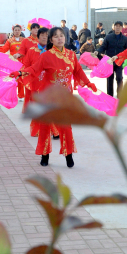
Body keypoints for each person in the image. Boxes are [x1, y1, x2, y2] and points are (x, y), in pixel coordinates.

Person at [12, 27, 98, 168]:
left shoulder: (71, 55)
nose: (59, 38)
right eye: (56, 36)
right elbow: (34, 69)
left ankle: (68, 155)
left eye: (61, 36)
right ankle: (45, 155)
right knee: (45, 127)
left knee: (66, 127)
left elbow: (78, 71)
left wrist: (88, 83)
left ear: (65, 38)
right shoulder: (46, 56)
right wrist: (21, 73)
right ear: (51, 40)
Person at [95, 21, 127, 97]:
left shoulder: (124, 39)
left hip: (119, 61)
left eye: (119, 26)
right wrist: (97, 51)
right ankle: (110, 96)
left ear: (121, 28)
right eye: (116, 26)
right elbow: (103, 47)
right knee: (110, 79)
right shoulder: (108, 37)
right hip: (109, 62)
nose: (117, 27)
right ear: (113, 27)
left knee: (119, 78)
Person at [0, 25, 27, 99]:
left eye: (18, 30)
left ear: (21, 31)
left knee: (21, 78)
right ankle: (12, 95)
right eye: (15, 30)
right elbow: (4, 49)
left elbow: (28, 50)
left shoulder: (25, 40)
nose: (17, 31)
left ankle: (21, 95)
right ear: (13, 31)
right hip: (13, 62)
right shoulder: (10, 40)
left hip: (22, 62)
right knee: (13, 78)